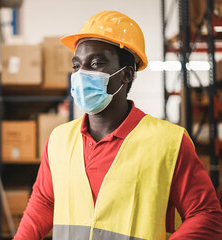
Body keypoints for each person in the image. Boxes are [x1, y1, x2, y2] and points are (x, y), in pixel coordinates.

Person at [13, 11, 222, 240]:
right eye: (77, 66)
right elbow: (44, 201)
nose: (82, 74)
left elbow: (207, 215)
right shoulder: (59, 140)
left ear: (126, 75)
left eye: (96, 63)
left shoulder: (168, 143)